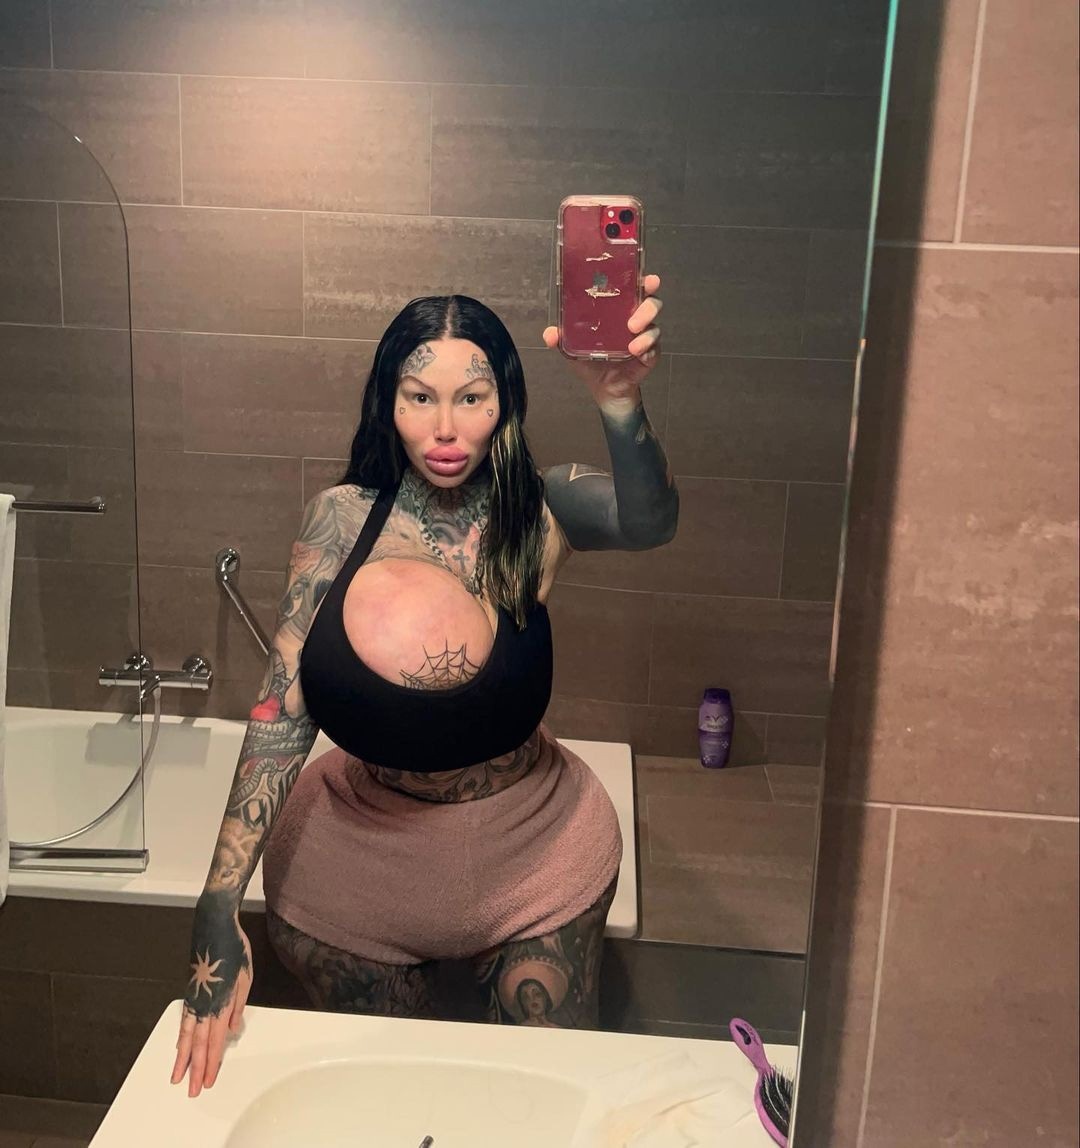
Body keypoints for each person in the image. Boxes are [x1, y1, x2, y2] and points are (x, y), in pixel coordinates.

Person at [171, 275, 678, 1097]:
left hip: (530, 853)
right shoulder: (340, 518)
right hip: (360, 864)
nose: (445, 428)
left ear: (504, 403)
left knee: (533, 1099)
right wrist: (216, 899)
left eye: (471, 398)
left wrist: (619, 400)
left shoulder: (541, 507)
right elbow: (282, 707)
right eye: (420, 397)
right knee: (389, 1098)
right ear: (389, 401)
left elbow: (650, 520)